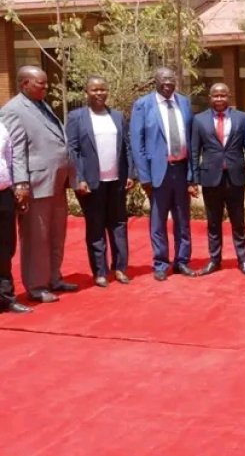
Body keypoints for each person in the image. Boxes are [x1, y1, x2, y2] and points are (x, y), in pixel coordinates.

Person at [0, 65, 76, 303]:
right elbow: (17, 151)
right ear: (24, 84)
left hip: (56, 182)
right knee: (37, 238)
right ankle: (36, 285)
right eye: (40, 83)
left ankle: (54, 277)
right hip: (35, 184)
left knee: (56, 234)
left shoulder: (40, 104)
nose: (46, 87)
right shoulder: (14, 110)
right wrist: (21, 184)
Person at [66, 76, 135, 287]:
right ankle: (100, 271)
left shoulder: (117, 116)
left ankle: (121, 268)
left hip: (116, 181)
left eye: (103, 89)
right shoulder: (77, 117)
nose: (99, 93)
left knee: (119, 226)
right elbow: (72, 150)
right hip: (91, 183)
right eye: (94, 90)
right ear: (86, 92)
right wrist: (79, 178)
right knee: (95, 227)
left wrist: (131, 174)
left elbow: (127, 147)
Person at [130, 67, 196, 281]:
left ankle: (182, 261)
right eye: (163, 80)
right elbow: (136, 143)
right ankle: (160, 263)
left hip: (181, 168)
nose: (168, 83)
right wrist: (144, 176)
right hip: (158, 172)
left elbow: (191, 139)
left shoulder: (184, 102)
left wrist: (192, 174)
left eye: (171, 79)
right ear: (155, 81)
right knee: (158, 221)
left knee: (183, 219)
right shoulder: (143, 105)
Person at [191, 83, 245, 277]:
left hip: (235, 177)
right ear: (210, 97)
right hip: (211, 178)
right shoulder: (199, 120)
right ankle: (214, 260)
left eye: (222, 95)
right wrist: (193, 179)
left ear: (229, 96)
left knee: (238, 221)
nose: (219, 99)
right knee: (213, 222)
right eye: (215, 96)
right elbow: (194, 152)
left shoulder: (242, 118)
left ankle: (243, 260)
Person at [0, 119, 31, 313]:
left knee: (5, 248)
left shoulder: (2, 126)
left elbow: (9, 158)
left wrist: (16, 186)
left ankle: (6, 298)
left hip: (4, 192)